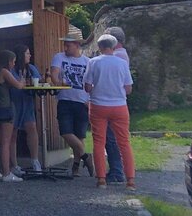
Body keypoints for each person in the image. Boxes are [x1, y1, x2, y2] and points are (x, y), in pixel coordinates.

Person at [84, 33, 136, 190]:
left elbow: (87, 86)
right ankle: (131, 181)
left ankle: (101, 180)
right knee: (124, 143)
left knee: (99, 142)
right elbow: (128, 89)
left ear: (99, 47)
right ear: (114, 46)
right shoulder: (121, 63)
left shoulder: (93, 62)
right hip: (119, 106)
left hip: (98, 106)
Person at [50, 25, 94, 178]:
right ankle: (87, 157)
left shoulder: (87, 61)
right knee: (66, 132)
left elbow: (90, 83)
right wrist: (57, 82)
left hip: (82, 101)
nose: (65, 47)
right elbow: (54, 74)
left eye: (68, 44)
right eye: (65, 44)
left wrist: (90, 100)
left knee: (79, 135)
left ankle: (75, 166)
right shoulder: (59, 57)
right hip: (65, 100)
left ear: (77, 45)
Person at [0, 50, 25, 183]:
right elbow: (19, 86)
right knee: (5, 142)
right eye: (13, 62)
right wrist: (22, 79)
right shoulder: (4, 72)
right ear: (8, 61)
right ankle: (7, 173)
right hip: (5, 109)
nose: (14, 64)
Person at [9, 44, 42, 173]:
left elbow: (38, 81)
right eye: (27, 53)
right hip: (14, 102)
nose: (30, 55)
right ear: (21, 55)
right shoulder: (11, 69)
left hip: (27, 102)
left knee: (32, 128)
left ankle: (35, 161)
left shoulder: (31, 68)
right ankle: (14, 165)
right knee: (13, 133)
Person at [103, 26, 129, 183]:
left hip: (109, 102)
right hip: (119, 102)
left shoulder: (116, 56)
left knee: (110, 138)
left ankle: (116, 171)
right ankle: (120, 170)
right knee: (117, 138)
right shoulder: (123, 54)